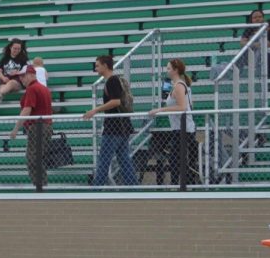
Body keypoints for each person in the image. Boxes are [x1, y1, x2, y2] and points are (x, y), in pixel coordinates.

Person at [84, 55, 137, 187]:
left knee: (104, 159)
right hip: (122, 126)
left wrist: (95, 110)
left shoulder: (112, 81)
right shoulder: (115, 80)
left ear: (105, 66)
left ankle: (97, 188)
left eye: (97, 65)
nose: (95, 68)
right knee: (124, 159)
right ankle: (133, 187)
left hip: (114, 128)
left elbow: (116, 101)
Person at [148, 59, 197, 187]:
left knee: (176, 159)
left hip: (184, 129)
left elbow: (182, 107)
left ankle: (179, 186)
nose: (167, 70)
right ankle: (181, 185)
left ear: (175, 70)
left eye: (169, 68)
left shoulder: (179, 85)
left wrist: (160, 110)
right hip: (180, 128)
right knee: (177, 159)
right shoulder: (177, 85)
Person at [6, 65, 53, 189]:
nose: (21, 79)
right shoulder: (42, 88)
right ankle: (41, 186)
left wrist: (16, 128)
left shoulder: (32, 89)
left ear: (32, 74)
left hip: (38, 127)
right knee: (37, 157)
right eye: (20, 77)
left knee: (33, 158)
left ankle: (40, 186)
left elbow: (27, 109)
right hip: (45, 126)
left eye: (23, 76)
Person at [240, 9, 270, 75]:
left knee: (269, 56)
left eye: (260, 17)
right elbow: (242, 43)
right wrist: (255, 44)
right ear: (251, 20)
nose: (257, 19)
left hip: (265, 52)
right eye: (255, 17)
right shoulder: (249, 29)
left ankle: (266, 79)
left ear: (263, 18)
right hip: (251, 53)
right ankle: (233, 73)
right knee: (241, 54)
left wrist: (268, 44)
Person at [0, 39, 29, 103]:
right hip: (5, 80)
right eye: (15, 48)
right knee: (2, 86)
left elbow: (26, 70)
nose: (17, 50)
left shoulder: (23, 58)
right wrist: (3, 78)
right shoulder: (4, 58)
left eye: (19, 49)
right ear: (10, 47)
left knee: (11, 83)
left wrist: (18, 72)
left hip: (17, 81)